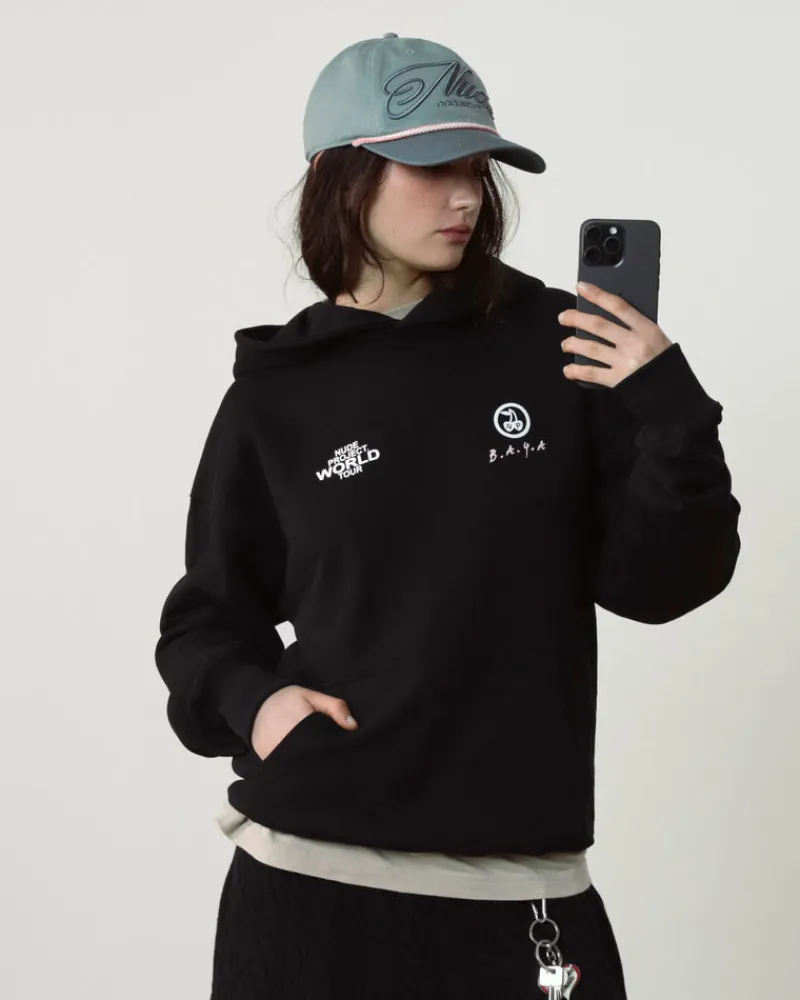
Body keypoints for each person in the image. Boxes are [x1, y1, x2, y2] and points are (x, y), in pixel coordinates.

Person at [154, 33, 741, 1000]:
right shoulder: (274, 397)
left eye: (477, 167)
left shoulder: (558, 346)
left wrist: (671, 412)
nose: (467, 195)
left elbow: (660, 584)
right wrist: (259, 706)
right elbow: (204, 622)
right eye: (433, 168)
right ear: (342, 177)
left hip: (524, 897)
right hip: (310, 890)